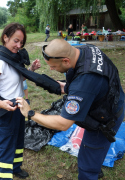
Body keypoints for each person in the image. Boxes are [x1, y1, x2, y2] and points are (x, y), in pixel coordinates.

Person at [16, 39, 124, 180]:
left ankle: (91, 172)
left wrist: (31, 113)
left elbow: (64, 123)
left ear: (66, 61)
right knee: (91, 155)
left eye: (53, 66)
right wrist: (35, 77)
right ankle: (95, 166)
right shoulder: (85, 50)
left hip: (105, 120)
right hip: (113, 99)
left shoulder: (85, 82)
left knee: (86, 165)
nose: (51, 69)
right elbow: (67, 87)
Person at [0, 23, 40, 180]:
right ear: (5, 37)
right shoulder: (0, 62)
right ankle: (3, 177)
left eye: (21, 42)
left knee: (19, 139)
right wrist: (0, 103)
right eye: (15, 41)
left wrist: (31, 70)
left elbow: (18, 78)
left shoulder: (13, 58)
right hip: (8, 109)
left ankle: (15, 167)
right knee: (7, 144)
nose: (18, 45)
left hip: (20, 106)